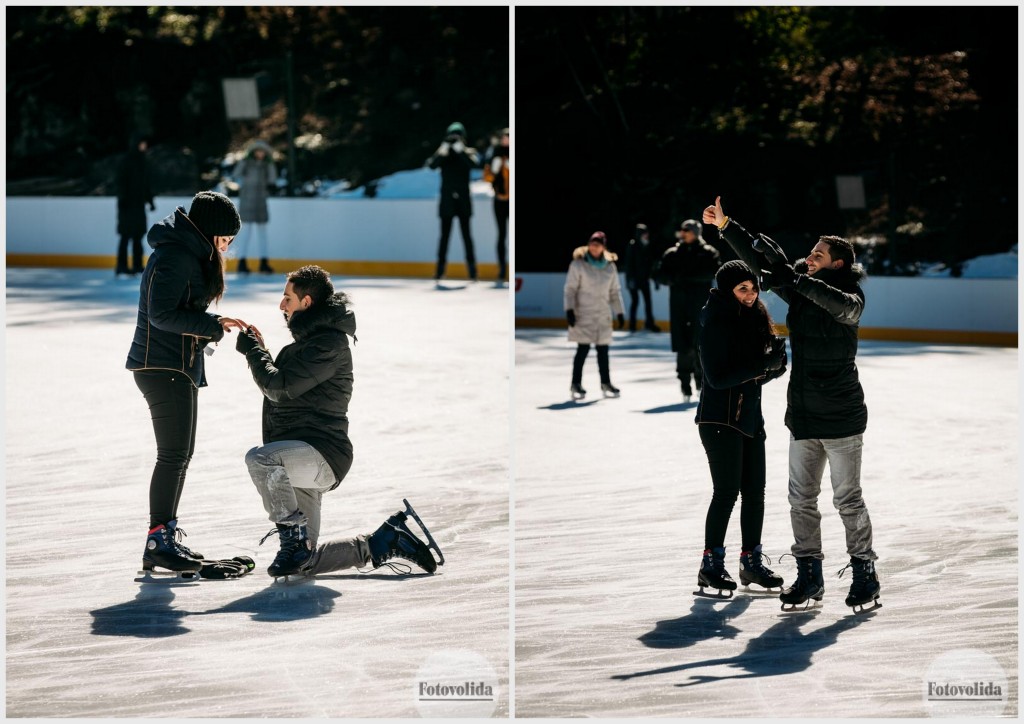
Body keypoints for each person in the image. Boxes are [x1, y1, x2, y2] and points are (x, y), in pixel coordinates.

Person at [703, 195, 880, 611]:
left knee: (847, 499)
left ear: (837, 263)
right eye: (809, 252)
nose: (809, 256)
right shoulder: (800, 288)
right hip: (803, 414)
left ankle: (864, 572)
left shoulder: (850, 298)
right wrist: (728, 227)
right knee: (800, 498)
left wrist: (794, 278)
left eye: (817, 254)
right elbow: (763, 264)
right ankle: (809, 574)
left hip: (841, 415)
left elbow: (834, 302)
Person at [234, 264, 440, 578]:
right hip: (300, 457)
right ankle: (383, 542)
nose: (281, 305)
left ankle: (292, 538)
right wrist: (260, 350)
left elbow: (280, 388)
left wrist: (254, 352)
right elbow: (282, 383)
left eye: (287, 298)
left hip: (321, 454)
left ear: (306, 303)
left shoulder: (329, 346)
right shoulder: (309, 345)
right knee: (304, 564)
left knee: (260, 460)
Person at [126, 190, 248, 573]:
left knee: (180, 455)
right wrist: (210, 325)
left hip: (172, 365)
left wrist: (213, 325)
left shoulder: (183, 251)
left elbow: (177, 310)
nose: (228, 246)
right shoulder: (177, 255)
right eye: (226, 238)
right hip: (163, 367)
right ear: (210, 232)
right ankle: (158, 541)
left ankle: (163, 536)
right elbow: (161, 314)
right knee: (174, 456)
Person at [694, 260, 788, 596]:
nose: (750, 295)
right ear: (726, 290)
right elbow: (718, 379)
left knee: (755, 494)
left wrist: (775, 366)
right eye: (742, 289)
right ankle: (710, 564)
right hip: (719, 420)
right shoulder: (715, 321)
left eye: (753, 288)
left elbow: (753, 373)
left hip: (750, 418)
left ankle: (751, 562)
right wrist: (762, 365)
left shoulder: (754, 317)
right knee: (726, 493)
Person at [651, 219, 721, 400]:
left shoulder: (708, 252)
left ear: (696, 232)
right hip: (679, 305)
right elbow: (659, 274)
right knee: (682, 346)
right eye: (682, 230)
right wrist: (672, 278)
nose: (684, 233)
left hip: (701, 306)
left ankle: (700, 382)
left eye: (687, 230)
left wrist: (685, 277)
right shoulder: (672, 253)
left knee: (700, 345)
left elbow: (712, 272)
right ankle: (684, 385)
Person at [563, 231, 626, 400]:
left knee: (603, 351)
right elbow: (570, 290)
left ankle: (606, 382)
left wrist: (619, 312)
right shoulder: (578, 264)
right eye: (592, 243)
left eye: (597, 244)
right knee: (582, 350)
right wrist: (569, 310)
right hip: (583, 314)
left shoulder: (609, 266)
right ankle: (576, 383)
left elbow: (614, 292)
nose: (594, 246)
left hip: (603, 315)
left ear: (603, 247)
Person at [428, 121, 479, 282]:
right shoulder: (444, 153)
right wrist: (443, 149)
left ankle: (472, 271)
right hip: (447, 201)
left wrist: (460, 150)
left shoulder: (468, 152)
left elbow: (473, 163)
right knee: (444, 237)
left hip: (463, 201)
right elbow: (432, 165)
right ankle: (440, 270)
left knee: (467, 237)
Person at [232, 139, 278, 274]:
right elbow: (236, 174)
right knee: (245, 233)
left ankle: (264, 262)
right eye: (258, 151)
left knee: (262, 233)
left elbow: (272, 179)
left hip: (261, 202)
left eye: (263, 151)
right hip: (246, 201)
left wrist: (270, 164)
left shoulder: (266, 165)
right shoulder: (246, 163)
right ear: (253, 152)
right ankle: (242, 262)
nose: (260, 154)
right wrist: (244, 164)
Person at [115, 133, 155, 277]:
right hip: (126, 205)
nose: (145, 147)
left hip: (138, 206)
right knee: (125, 236)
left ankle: (137, 265)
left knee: (137, 236)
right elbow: (121, 182)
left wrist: (150, 201)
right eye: (142, 144)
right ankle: (122, 266)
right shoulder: (127, 161)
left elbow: (146, 184)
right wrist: (123, 199)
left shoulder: (143, 161)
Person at [481, 127, 510, 281]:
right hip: (499, 200)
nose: (505, 140)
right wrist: (494, 170)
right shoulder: (495, 154)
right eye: (504, 138)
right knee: (501, 235)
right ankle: (502, 268)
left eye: (508, 137)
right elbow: (486, 177)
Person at [623, 223, 660, 333]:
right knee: (635, 301)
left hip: (644, 279)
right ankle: (632, 325)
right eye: (644, 233)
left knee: (648, 302)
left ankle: (650, 323)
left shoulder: (647, 245)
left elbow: (649, 264)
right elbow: (629, 264)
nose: (647, 235)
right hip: (634, 280)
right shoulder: (632, 245)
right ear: (639, 234)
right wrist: (630, 280)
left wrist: (654, 278)